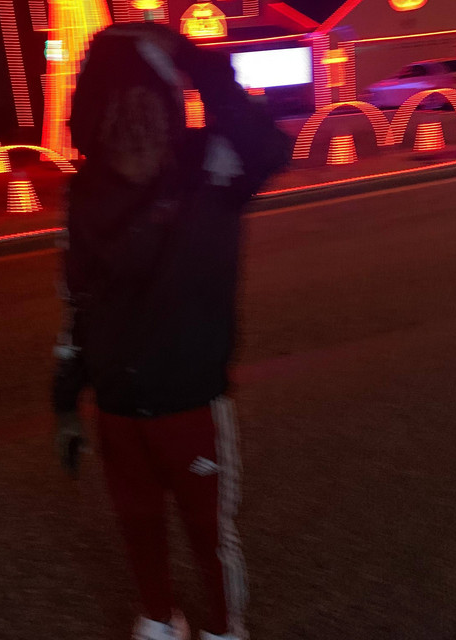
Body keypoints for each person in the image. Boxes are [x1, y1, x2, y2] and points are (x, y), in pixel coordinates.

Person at [52, 22, 290, 640]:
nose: (131, 120)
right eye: (115, 104)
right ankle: (159, 620)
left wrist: (193, 58)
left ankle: (222, 630)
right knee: (138, 525)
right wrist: (68, 393)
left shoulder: (208, 167)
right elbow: (77, 296)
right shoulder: (86, 191)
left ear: (166, 104)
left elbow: (268, 147)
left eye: (144, 101)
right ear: (96, 114)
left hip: (189, 400)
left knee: (208, 532)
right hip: (118, 406)